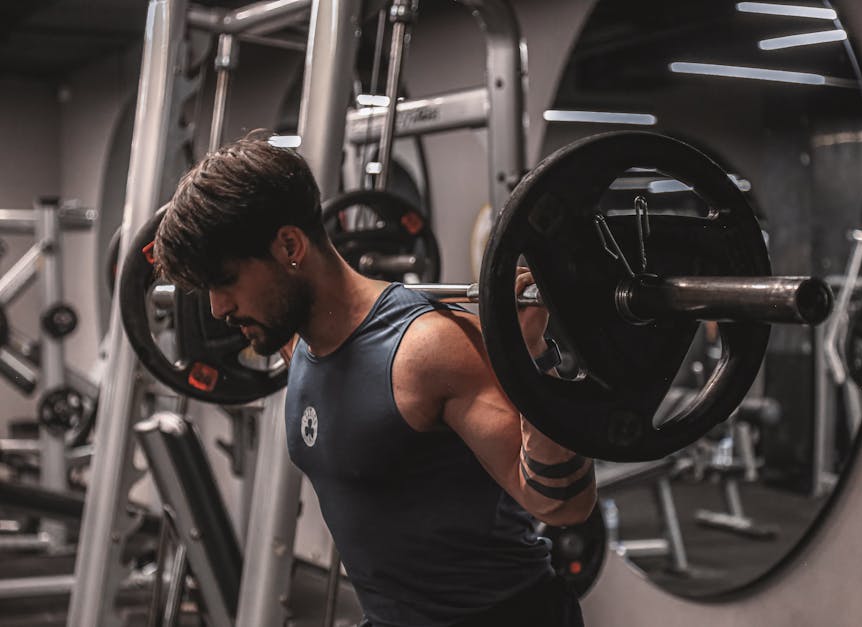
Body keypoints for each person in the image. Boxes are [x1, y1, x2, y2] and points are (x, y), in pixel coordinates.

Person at [153, 132, 596, 627]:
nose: (217, 309)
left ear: (289, 246)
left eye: (226, 280)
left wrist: (530, 362)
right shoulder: (296, 339)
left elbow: (564, 505)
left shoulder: (426, 350)